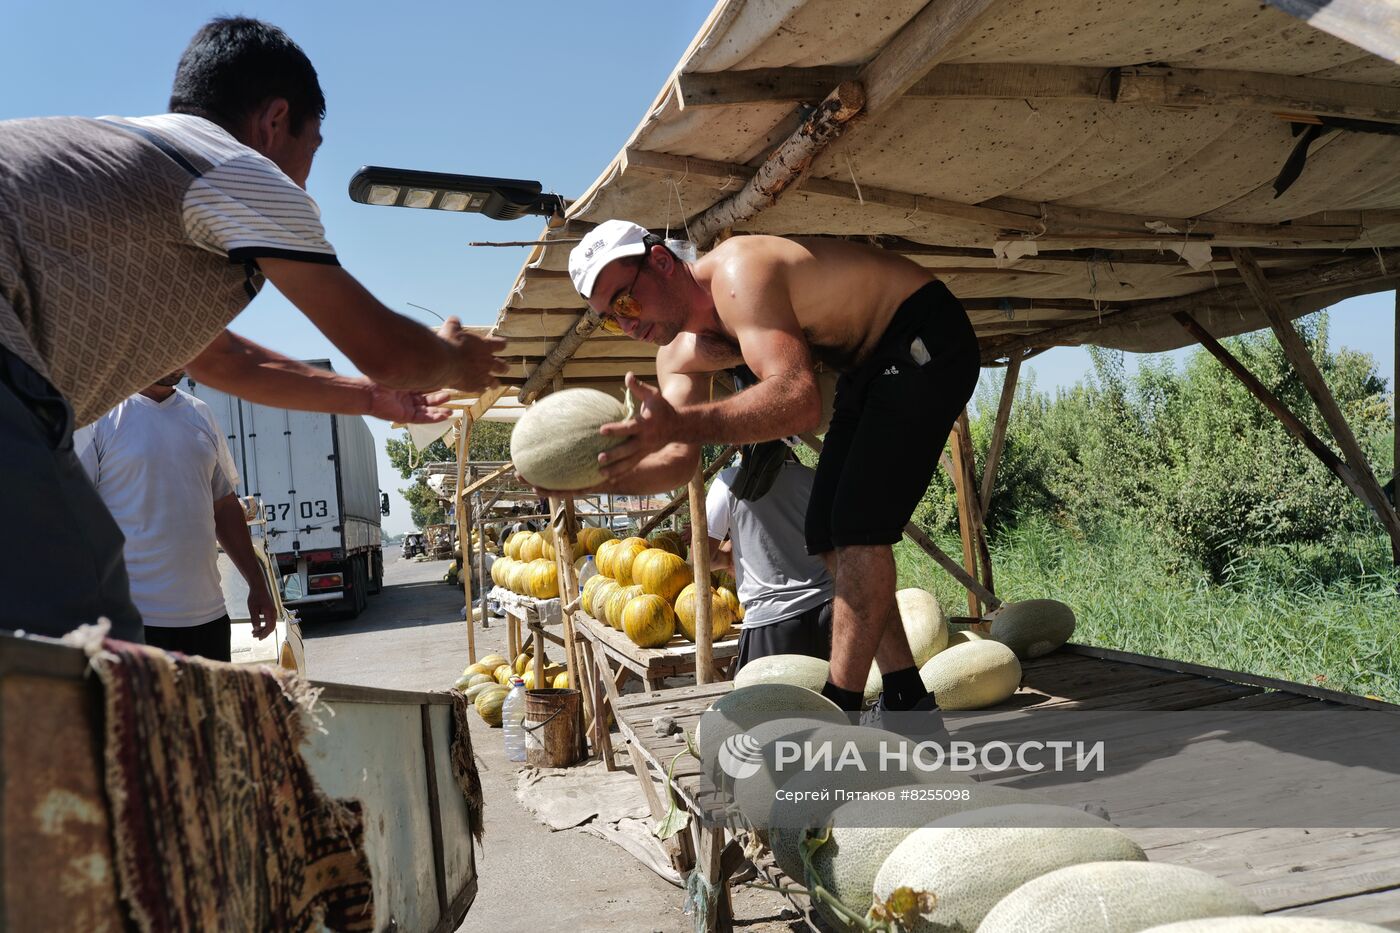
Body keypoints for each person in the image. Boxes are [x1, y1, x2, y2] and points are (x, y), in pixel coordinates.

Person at [0, 17, 507, 641]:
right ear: (275, 120)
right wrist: (456, 361)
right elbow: (386, 350)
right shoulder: (234, 167)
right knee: (78, 636)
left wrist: (370, 399)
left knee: (89, 633)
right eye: (312, 148)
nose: (303, 176)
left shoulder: (135, 173)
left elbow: (225, 360)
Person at [560, 220, 980, 717]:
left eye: (626, 302)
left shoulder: (740, 272)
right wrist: (600, 473)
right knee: (824, 534)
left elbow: (798, 400)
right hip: (866, 368)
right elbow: (675, 458)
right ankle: (907, 695)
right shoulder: (675, 355)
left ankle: (838, 711)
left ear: (660, 261)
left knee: (858, 529)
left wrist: (680, 424)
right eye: (611, 319)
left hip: (922, 331)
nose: (627, 325)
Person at [77, 370, 274, 661]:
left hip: (210, 619)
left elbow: (224, 506)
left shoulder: (201, 414)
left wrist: (257, 585)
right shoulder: (100, 417)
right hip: (133, 623)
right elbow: (73, 513)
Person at [706, 451, 834, 669]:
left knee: (769, 702)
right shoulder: (811, 479)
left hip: (771, 620)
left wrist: (728, 557)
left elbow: (703, 559)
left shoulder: (728, 483)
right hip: (827, 613)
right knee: (827, 701)